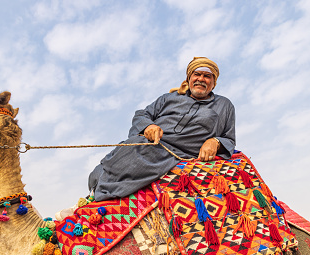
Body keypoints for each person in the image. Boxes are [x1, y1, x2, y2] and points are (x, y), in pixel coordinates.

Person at [88, 57, 235, 202]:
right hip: (151, 143)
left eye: (207, 76)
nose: (201, 79)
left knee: (137, 154)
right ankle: (93, 195)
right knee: (120, 154)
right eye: (197, 74)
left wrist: (215, 141)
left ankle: (100, 196)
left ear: (214, 83)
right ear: (189, 78)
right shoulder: (169, 98)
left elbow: (229, 138)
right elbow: (142, 114)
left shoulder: (224, 105)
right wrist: (148, 126)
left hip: (178, 153)